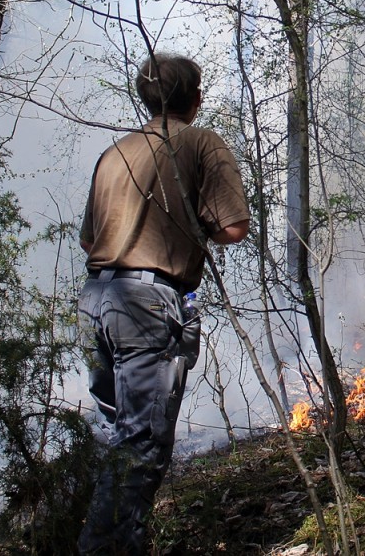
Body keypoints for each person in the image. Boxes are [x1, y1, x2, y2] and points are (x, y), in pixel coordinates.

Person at [77, 53, 250, 555]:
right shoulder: (200, 142)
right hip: (147, 307)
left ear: (146, 97)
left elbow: (91, 242)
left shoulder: (116, 152)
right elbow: (233, 228)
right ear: (195, 100)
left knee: (119, 436)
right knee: (141, 449)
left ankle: (105, 539)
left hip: (97, 300)